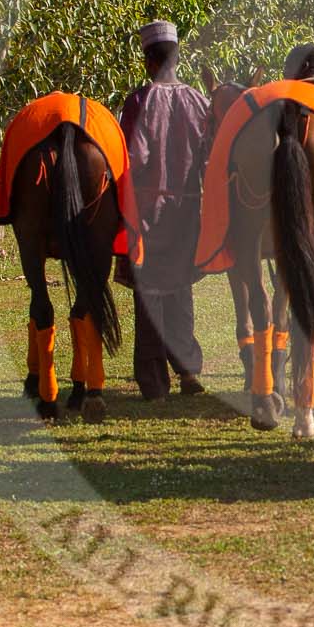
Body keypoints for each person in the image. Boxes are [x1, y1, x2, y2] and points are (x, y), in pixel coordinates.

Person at [120, 20, 211, 399]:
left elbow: (132, 157)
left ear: (147, 62)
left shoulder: (140, 101)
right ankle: (188, 371)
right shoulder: (197, 100)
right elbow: (210, 155)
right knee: (180, 289)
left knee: (150, 295)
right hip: (188, 210)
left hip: (149, 210)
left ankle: (155, 382)